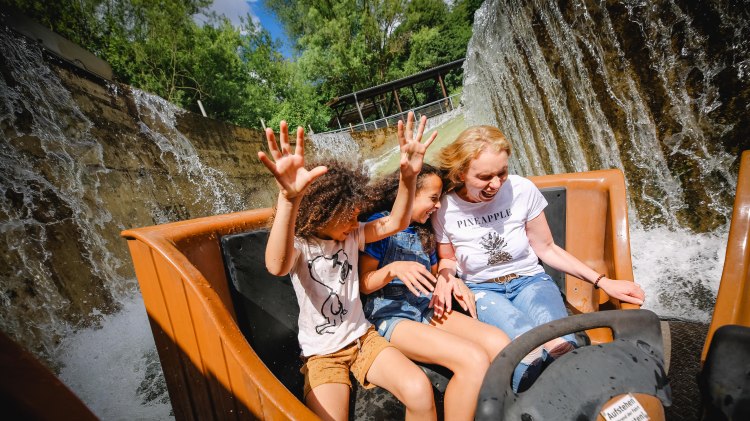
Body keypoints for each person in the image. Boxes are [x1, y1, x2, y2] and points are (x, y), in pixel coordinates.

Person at [430, 125, 646, 392]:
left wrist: (603, 282)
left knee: (560, 345)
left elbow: (547, 249)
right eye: (485, 176)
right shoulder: (444, 207)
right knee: (526, 351)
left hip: (529, 281)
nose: (496, 184)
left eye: (502, 173)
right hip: (483, 291)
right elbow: (448, 259)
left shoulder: (521, 190)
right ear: (461, 172)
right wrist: (444, 276)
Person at [259, 113, 439, 421]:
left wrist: (408, 177)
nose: (356, 223)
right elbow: (276, 266)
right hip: (322, 354)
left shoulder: (353, 235)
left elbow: (397, 222)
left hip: (363, 338)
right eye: (350, 217)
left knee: (419, 389)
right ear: (324, 213)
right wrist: (289, 200)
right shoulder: (302, 246)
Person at [359, 164, 511, 421]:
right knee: (472, 359)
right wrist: (392, 269)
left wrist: (449, 279)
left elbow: (437, 270)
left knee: (499, 343)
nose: (438, 206)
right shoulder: (380, 227)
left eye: (439, 199)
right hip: (391, 316)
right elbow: (363, 283)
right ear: (407, 194)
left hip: (425, 306)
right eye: (432, 199)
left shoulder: (423, 231)